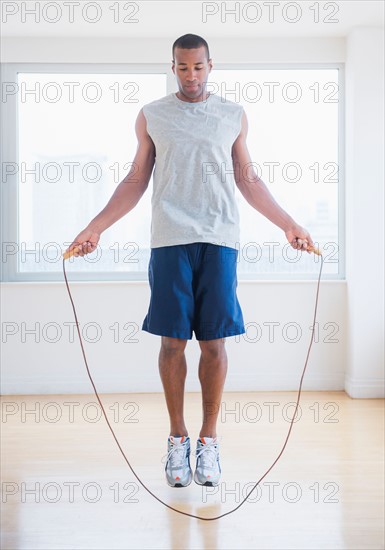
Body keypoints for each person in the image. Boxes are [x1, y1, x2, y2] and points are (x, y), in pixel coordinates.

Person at [65, 33, 315, 489]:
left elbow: (249, 180)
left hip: (220, 241)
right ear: (173, 67)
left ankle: (208, 442)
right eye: (182, 68)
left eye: (198, 67)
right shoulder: (152, 116)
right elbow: (135, 181)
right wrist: (95, 226)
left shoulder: (232, 116)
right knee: (172, 344)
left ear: (210, 66)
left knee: (215, 344)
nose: (191, 75)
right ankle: (177, 438)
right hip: (170, 242)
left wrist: (288, 224)